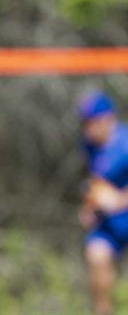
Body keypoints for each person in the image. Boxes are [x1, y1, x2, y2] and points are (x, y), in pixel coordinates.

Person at [79, 92, 128, 315]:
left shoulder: (125, 144)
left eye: (92, 122)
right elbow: (96, 182)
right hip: (109, 224)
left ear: (108, 119)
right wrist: (90, 207)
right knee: (96, 254)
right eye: (85, 123)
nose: (88, 129)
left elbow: (114, 197)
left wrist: (119, 200)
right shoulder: (90, 145)